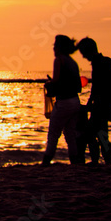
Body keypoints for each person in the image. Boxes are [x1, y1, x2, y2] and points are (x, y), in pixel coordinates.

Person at [41, 35, 83, 166]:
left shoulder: (58, 60)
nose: (53, 48)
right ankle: (74, 161)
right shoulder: (73, 62)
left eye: (55, 45)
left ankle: (46, 161)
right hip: (75, 101)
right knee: (70, 134)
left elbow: (57, 81)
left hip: (64, 102)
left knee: (53, 133)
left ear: (59, 48)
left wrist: (49, 84)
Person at [77, 37, 111, 165]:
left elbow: (97, 88)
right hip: (106, 105)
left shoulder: (98, 63)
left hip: (101, 106)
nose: (83, 57)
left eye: (83, 53)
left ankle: (97, 161)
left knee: (89, 135)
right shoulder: (105, 62)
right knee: (101, 134)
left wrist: (89, 104)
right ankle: (105, 162)